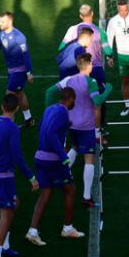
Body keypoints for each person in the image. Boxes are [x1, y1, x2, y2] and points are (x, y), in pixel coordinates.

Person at [45, 53, 112, 208]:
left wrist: (48, 112)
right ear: (88, 66)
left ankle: (58, 174)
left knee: (74, 148)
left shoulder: (69, 79)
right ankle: (86, 197)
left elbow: (49, 92)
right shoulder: (92, 81)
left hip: (71, 124)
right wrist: (108, 89)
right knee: (89, 159)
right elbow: (97, 101)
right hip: (87, 126)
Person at [0, 93, 39, 257]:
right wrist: (31, 176)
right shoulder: (13, 128)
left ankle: (5, 246)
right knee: (6, 215)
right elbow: (17, 155)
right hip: (2, 176)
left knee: (14, 204)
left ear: (1, 106)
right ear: (16, 109)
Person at [26, 87, 86, 246]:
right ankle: (67, 228)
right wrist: (62, 155)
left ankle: (32, 231)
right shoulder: (62, 112)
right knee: (70, 190)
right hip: (53, 160)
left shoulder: (50, 109)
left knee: (45, 193)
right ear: (71, 99)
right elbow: (52, 133)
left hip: (40, 157)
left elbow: (41, 127)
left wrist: (65, 125)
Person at [60, 4, 113, 142]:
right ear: (92, 14)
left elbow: (61, 47)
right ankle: (99, 130)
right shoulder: (99, 31)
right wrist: (110, 56)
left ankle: (70, 132)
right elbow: (108, 51)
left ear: (80, 16)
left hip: (78, 71)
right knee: (99, 101)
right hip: (96, 70)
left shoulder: (72, 30)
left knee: (75, 99)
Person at [0, 12, 35, 127]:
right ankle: (29, 119)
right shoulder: (2, 34)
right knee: (20, 94)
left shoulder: (19, 37)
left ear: (10, 22)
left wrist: (29, 72)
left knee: (9, 97)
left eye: (2, 21)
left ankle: (8, 123)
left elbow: (26, 54)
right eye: (0, 21)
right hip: (11, 71)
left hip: (20, 72)